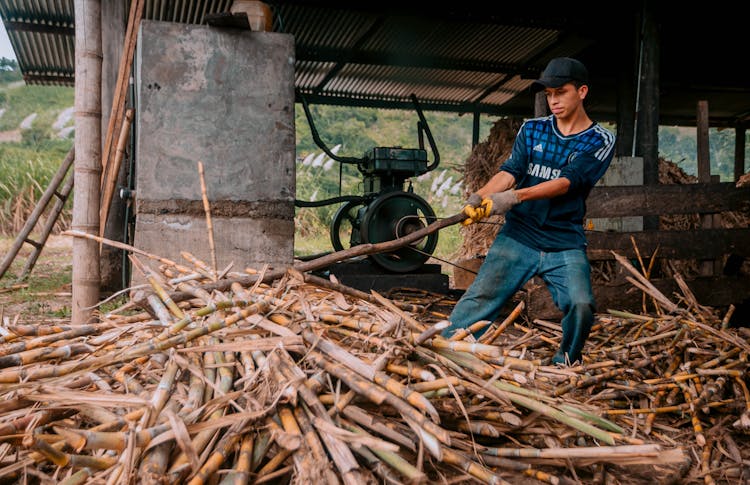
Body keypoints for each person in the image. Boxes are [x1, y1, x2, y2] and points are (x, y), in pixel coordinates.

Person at [442, 57, 616, 365]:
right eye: (549, 94)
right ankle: (446, 352)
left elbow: (567, 182)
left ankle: (566, 363)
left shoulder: (600, 140)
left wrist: (513, 197)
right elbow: (511, 170)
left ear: (582, 91)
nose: (554, 101)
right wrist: (480, 196)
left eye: (561, 92)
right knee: (479, 300)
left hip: (564, 240)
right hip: (519, 235)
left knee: (582, 305)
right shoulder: (532, 130)